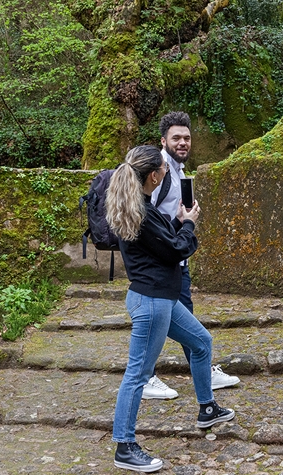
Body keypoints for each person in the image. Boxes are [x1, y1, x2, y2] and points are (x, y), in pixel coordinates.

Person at [106, 145, 235, 473]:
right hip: (151, 303)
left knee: (201, 342)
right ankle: (124, 445)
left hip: (161, 298)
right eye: (164, 167)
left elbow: (164, 247)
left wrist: (179, 222)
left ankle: (207, 408)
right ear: (154, 175)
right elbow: (176, 249)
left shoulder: (142, 207)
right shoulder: (142, 213)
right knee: (137, 375)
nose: (168, 171)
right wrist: (189, 223)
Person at [141, 111, 240, 400]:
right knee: (167, 320)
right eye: (176, 138)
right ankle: (147, 376)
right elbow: (146, 214)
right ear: (164, 140)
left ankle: (198, 369)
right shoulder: (160, 172)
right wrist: (183, 226)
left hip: (175, 259)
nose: (183, 143)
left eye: (187, 138)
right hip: (163, 261)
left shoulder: (178, 170)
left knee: (178, 317)